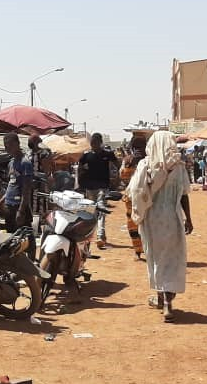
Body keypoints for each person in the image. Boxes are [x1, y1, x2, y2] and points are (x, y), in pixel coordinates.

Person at [126, 131, 194, 322]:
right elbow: (184, 195)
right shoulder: (178, 167)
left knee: (155, 258)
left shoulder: (145, 165)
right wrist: (188, 219)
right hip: (172, 217)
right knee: (172, 259)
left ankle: (161, 298)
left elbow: (134, 192)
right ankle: (167, 303)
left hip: (151, 219)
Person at [77, 133, 119, 249]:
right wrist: (80, 182)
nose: (93, 144)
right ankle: (90, 237)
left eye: (95, 142)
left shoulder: (107, 154)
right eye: (92, 142)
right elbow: (80, 168)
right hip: (90, 188)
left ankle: (100, 236)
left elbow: (117, 164)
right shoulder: (86, 155)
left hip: (103, 187)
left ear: (100, 143)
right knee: (91, 213)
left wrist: (116, 178)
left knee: (101, 212)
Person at [118, 135, 147, 260]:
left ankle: (138, 251)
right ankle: (149, 249)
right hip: (148, 198)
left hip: (131, 198)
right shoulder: (151, 160)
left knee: (133, 224)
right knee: (148, 224)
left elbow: (122, 176)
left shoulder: (127, 160)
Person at [2, 133, 34, 231]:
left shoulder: (25, 163)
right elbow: (11, 185)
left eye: (10, 145)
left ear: (18, 144)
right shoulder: (11, 163)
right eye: (6, 146)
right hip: (9, 206)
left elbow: (26, 189)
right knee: (10, 236)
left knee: (24, 235)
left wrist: (21, 210)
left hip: (19, 206)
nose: (8, 148)